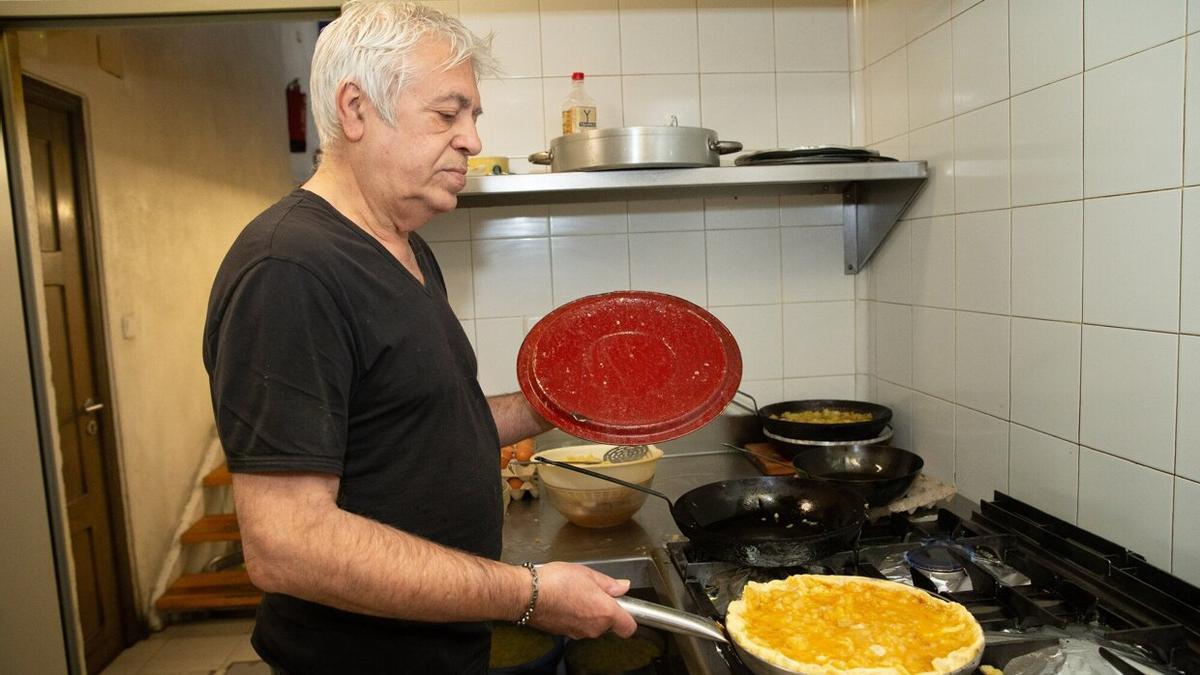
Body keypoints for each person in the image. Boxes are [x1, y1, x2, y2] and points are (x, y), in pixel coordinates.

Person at [201, 2, 636, 672]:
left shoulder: (403, 247)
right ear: (355, 109)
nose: (469, 138)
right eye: (447, 113)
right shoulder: (291, 268)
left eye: (473, 117)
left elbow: (425, 424)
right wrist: (527, 593)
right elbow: (287, 543)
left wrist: (564, 400)